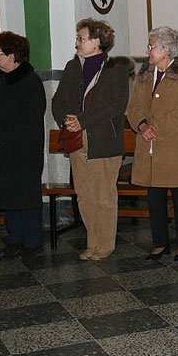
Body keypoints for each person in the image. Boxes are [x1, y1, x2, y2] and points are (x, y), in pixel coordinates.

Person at [52, 19, 129, 261]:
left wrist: (82, 120)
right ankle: (92, 242)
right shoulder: (72, 66)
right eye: (78, 38)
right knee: (84, 195)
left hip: (103, 140)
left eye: (81, 38)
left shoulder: (115, 69)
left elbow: (116, 104)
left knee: (104, 196)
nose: (77, 42)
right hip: (77, 139)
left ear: (97, 42)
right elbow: (58, 99)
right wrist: (66, 119)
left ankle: (105, 244)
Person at [127, 26, 178, 262]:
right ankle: (160, 243)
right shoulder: (144, 75)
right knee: (154, 197)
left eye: (152, 47)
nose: (148, 51)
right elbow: (134, 106)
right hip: (148, 148)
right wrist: (142, 126)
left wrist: (155, 130)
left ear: (166, 50)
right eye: (149, 46)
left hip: (174, 146)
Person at [0, 32, 45, 259]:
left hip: (23, 150)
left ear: (13, 56)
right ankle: (14, 238)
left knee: (25, 195)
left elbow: (27, 119)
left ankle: (32, 241)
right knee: (7, 194)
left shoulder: (30, 82)